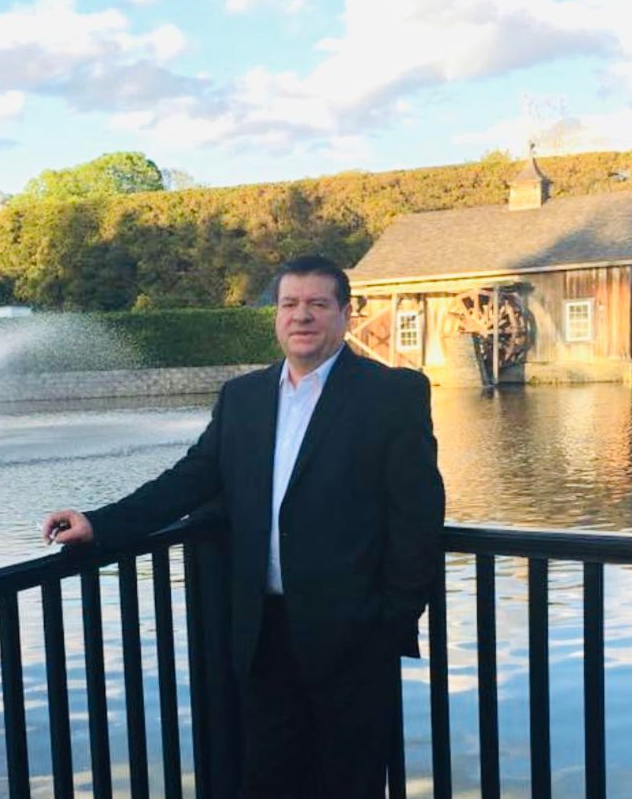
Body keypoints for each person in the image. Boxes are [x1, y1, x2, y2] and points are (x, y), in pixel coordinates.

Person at [42, 255, 445, 798]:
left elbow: (417, 516)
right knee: (266, 779)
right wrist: (99, 523)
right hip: (261, 634)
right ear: (276, 315)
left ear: (344, 314)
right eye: (289, 304)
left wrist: (390, 619)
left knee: (350, 782)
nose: (301, 316)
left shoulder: (391, 394)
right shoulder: (244, 397)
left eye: (317, 304)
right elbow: (190, 478)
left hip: (351, 635)